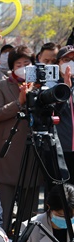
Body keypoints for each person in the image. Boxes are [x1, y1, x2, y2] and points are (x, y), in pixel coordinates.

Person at [0, 45, 36, 223]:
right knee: (3, 212)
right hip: (7, 154)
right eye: (18, 64)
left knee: (29, 215)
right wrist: (19, 102)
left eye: (26, 63)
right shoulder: (2, 85)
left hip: (32, 153)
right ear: (12, 67)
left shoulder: (40, 84)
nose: (22, 66)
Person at [54, 45, 74, 180]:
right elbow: (53, 111)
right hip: (60, 148)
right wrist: (65, 89)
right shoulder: (51, 85)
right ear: (58, 63)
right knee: (61, 192)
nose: (70, 63)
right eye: (66, 59)